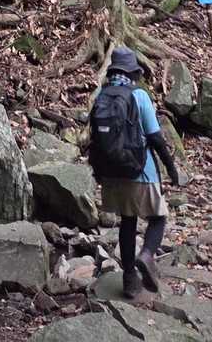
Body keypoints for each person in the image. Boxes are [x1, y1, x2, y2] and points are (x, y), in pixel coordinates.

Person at [89, 45, 181, 299]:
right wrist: (171, 168)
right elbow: (155, 138)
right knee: (158, 217)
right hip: (139, 171)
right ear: (132, 73)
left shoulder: (102, 95)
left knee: (127, 222)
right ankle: (147, 255)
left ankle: (130, 280)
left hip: (111, 173)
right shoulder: (139, 96)